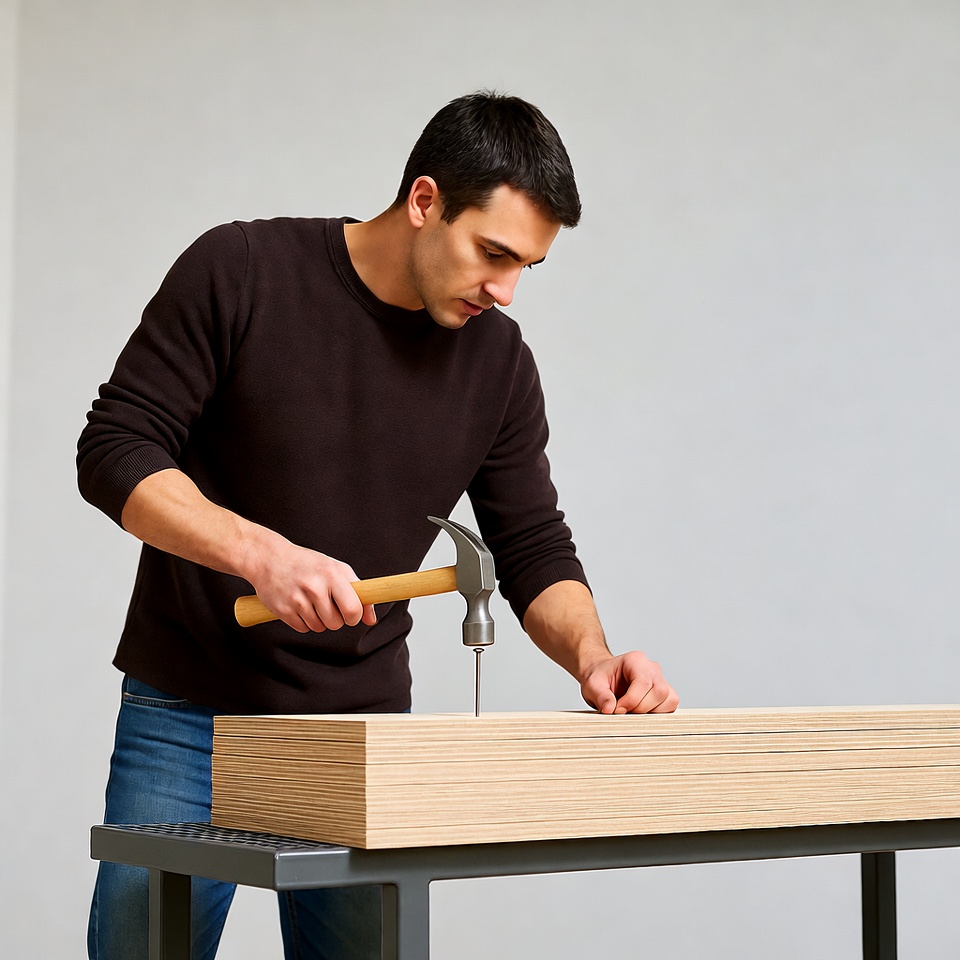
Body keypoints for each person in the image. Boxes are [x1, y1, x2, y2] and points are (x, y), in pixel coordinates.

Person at [78, 91, 679, 960]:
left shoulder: (499, 366)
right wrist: (260, 554)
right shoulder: (242, 269)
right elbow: (115, 448)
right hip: (190, 715)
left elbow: (532, 546)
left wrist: (595, 656)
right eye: (493, 254)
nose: (505, 292)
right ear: (425, 201)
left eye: (527, 269)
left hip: (361, 735)